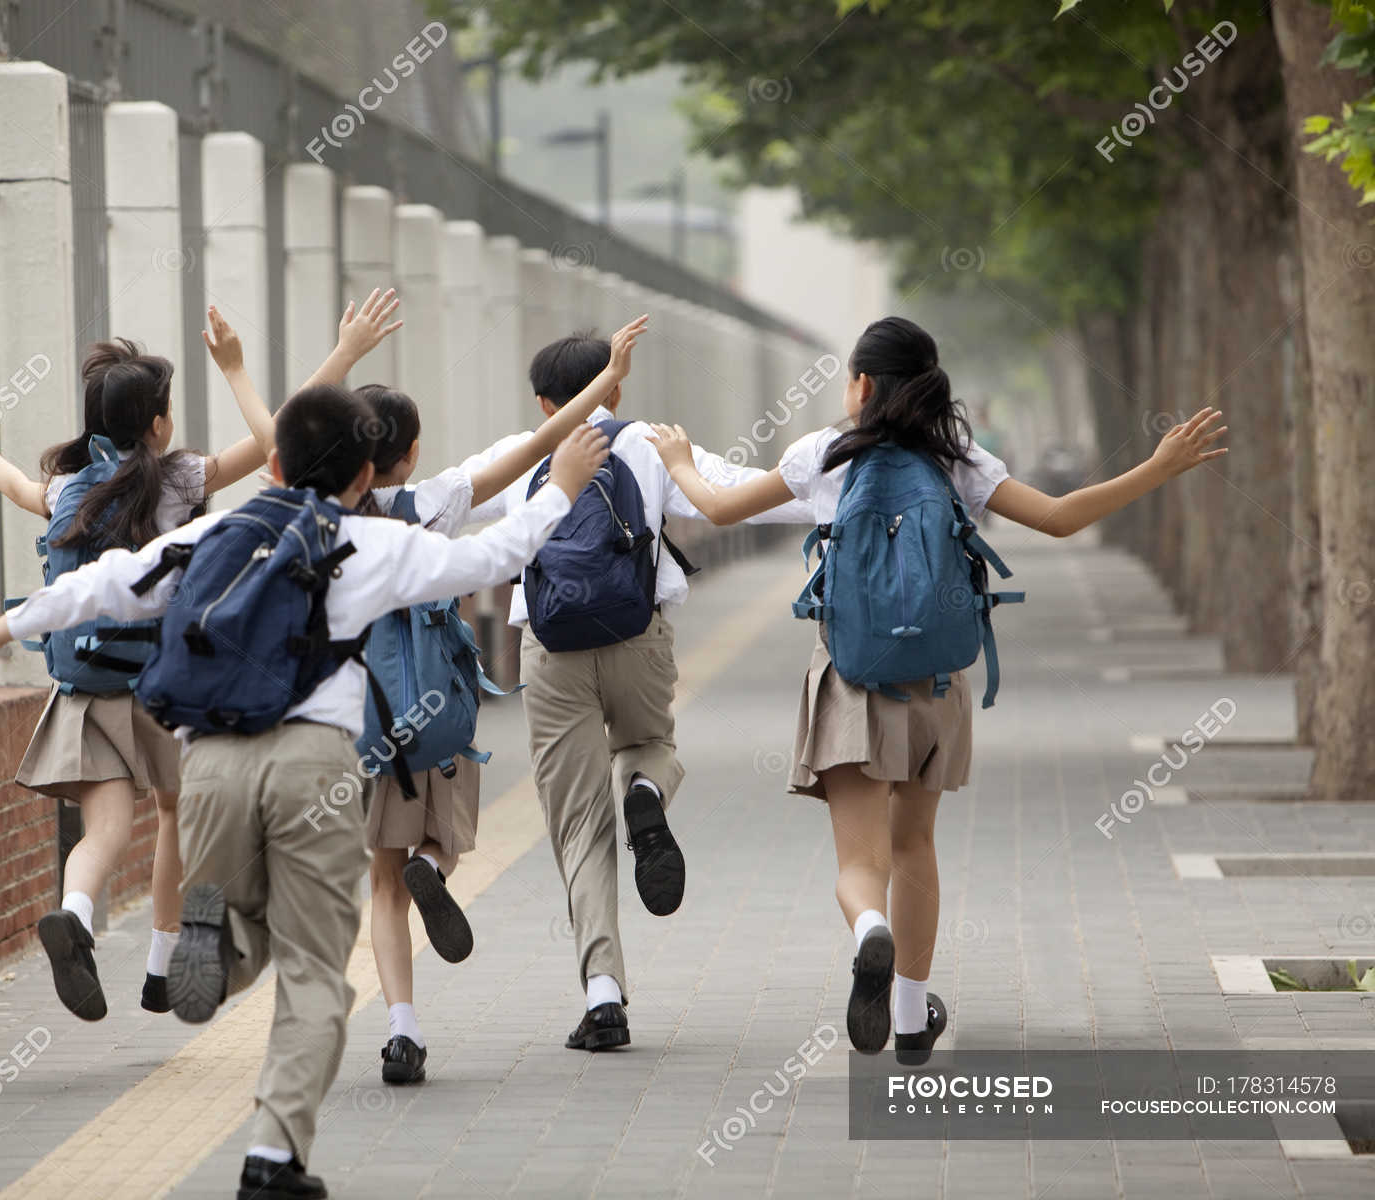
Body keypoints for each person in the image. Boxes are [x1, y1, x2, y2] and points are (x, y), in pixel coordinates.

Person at [0, 388, 611, 1200]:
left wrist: (0, 630)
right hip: (312, 766)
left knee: (240, 923)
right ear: (363, 475)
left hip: (208, 762)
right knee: (317, 971)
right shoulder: (368, 542)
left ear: (276, 464)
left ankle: (214, 942)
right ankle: (274, 1159)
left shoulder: (217, 531)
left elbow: (110, 581)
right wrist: (561, 481)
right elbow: (491, 558)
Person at [647, 315, 1226, 1063]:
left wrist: (679, 457)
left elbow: (718, 507)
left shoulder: (821, 454)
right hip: (935, 685)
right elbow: (1056, 519)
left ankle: (869, 932)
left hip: (851, 678)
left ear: (861, 384)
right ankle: (914, 1015)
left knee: (860, 865)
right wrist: (1156, 468)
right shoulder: (958, 459)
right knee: (914, 844)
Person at [0, 292, 402, 1021]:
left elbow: (17, 486)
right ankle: (160, 965)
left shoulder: (65, 486)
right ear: (157, 424)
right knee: (175, 815)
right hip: (161, 685)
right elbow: (283, 442)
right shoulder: (182, 479)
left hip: (85, 687)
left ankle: (78, 914)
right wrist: (339, 356)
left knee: (105, 828)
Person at [456, 330, 803, 1052]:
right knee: (650, 747)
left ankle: (604, 995)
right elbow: (745, 496)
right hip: (637, 635)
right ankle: (644, 793)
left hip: (551, 649)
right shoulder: (650, 443)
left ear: (544, 402)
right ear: (613, 391)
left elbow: (442, 508)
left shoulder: (520, 455)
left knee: (579, 826)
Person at [339, 316, 649, 1085]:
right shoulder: (431, 502)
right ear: (408, 453)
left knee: (380, 880)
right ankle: (437, 870)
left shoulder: (324, 521)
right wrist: (604, 389)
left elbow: (276, 440)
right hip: (438, 708)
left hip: (366, 720)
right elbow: (531, 452)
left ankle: (402, 1030)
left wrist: (337, 357)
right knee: (444, 835)